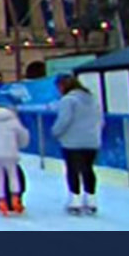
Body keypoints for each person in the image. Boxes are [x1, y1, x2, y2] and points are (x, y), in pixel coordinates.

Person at [52, 75, 104, 215]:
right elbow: (101, 119)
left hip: (72, 142)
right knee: (88, 169)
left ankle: (75, 200)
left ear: (63, 86)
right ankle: (91, 199)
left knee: (73, 170)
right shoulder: (92, 99)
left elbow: (64, 120)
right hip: (92, 141)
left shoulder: (68, 100)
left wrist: (55, 132)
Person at [0, 99, 29, 216]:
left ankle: (1, 200)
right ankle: (15, 198)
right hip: (10, 152)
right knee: (13, 175)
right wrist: (20, 145)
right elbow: (23, 136)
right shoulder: (13, 121)